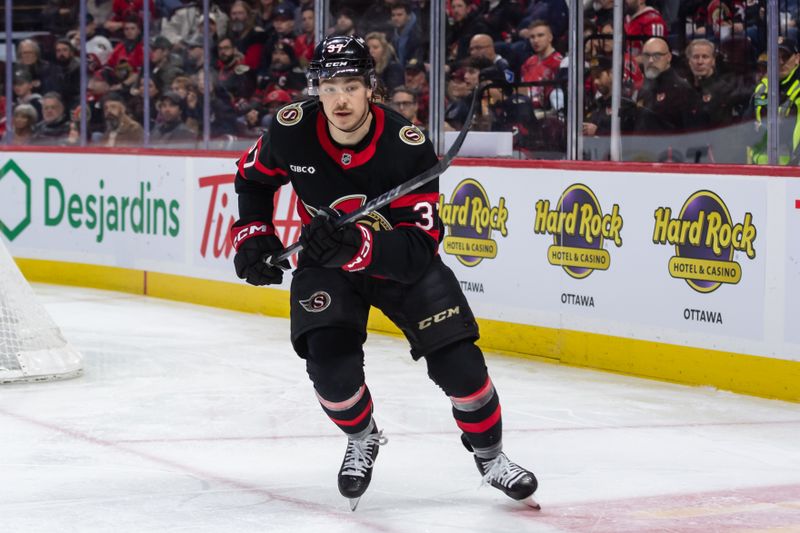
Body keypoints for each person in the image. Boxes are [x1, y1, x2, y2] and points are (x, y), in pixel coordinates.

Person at [230, 34, 539, 511]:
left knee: (462, 369)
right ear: (316, 90)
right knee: (330, 371)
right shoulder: (290, 130)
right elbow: (252, 180)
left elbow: (419, 248)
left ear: (370, 88)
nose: (339, 99)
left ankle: (492, 458)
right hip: (328, 265)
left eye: (350, 85)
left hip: (399, 265)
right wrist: (253, 235)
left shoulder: (406, 145)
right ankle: (363, 437)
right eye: (328, 86)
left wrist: (356, 244)